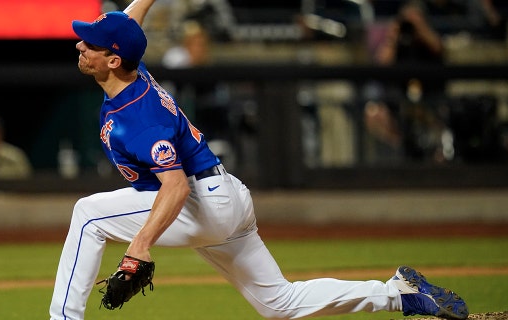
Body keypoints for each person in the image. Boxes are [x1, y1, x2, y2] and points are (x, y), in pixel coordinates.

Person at [49, 1, 469, 319]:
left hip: (199, 200)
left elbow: (174, 186)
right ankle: (401, 293)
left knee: (88, 215)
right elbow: (128, 23)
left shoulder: (139, 119)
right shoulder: (133, 70)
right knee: (278, 304)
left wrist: (139, 246)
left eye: (91, 44)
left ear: (113, 60)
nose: (79, 45)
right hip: (226, 196)